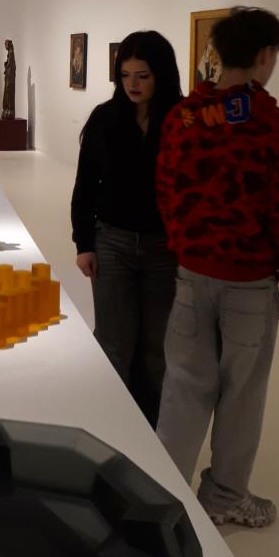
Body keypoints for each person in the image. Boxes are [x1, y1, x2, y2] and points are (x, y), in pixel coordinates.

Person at [156, 7, 279, 528]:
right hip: (249, 283)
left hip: (191, 276)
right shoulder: (276, 128)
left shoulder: (183, 119)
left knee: (183, 388)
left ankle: (164, 500)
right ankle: (224, 499)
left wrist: (184, 247)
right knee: (242, 396)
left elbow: (166, 191)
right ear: (265, 55)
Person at [71, 31, 183, 427]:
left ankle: (150, 431)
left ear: (162, 75)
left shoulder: (183, 120)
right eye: (125, 75)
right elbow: (86, 185)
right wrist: (84, 243)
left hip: (165, 248)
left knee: (158, 349)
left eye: (143, 76)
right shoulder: (106, 118)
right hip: (113, 243)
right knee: (113, 343)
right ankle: (112, 427)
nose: (132, 84)